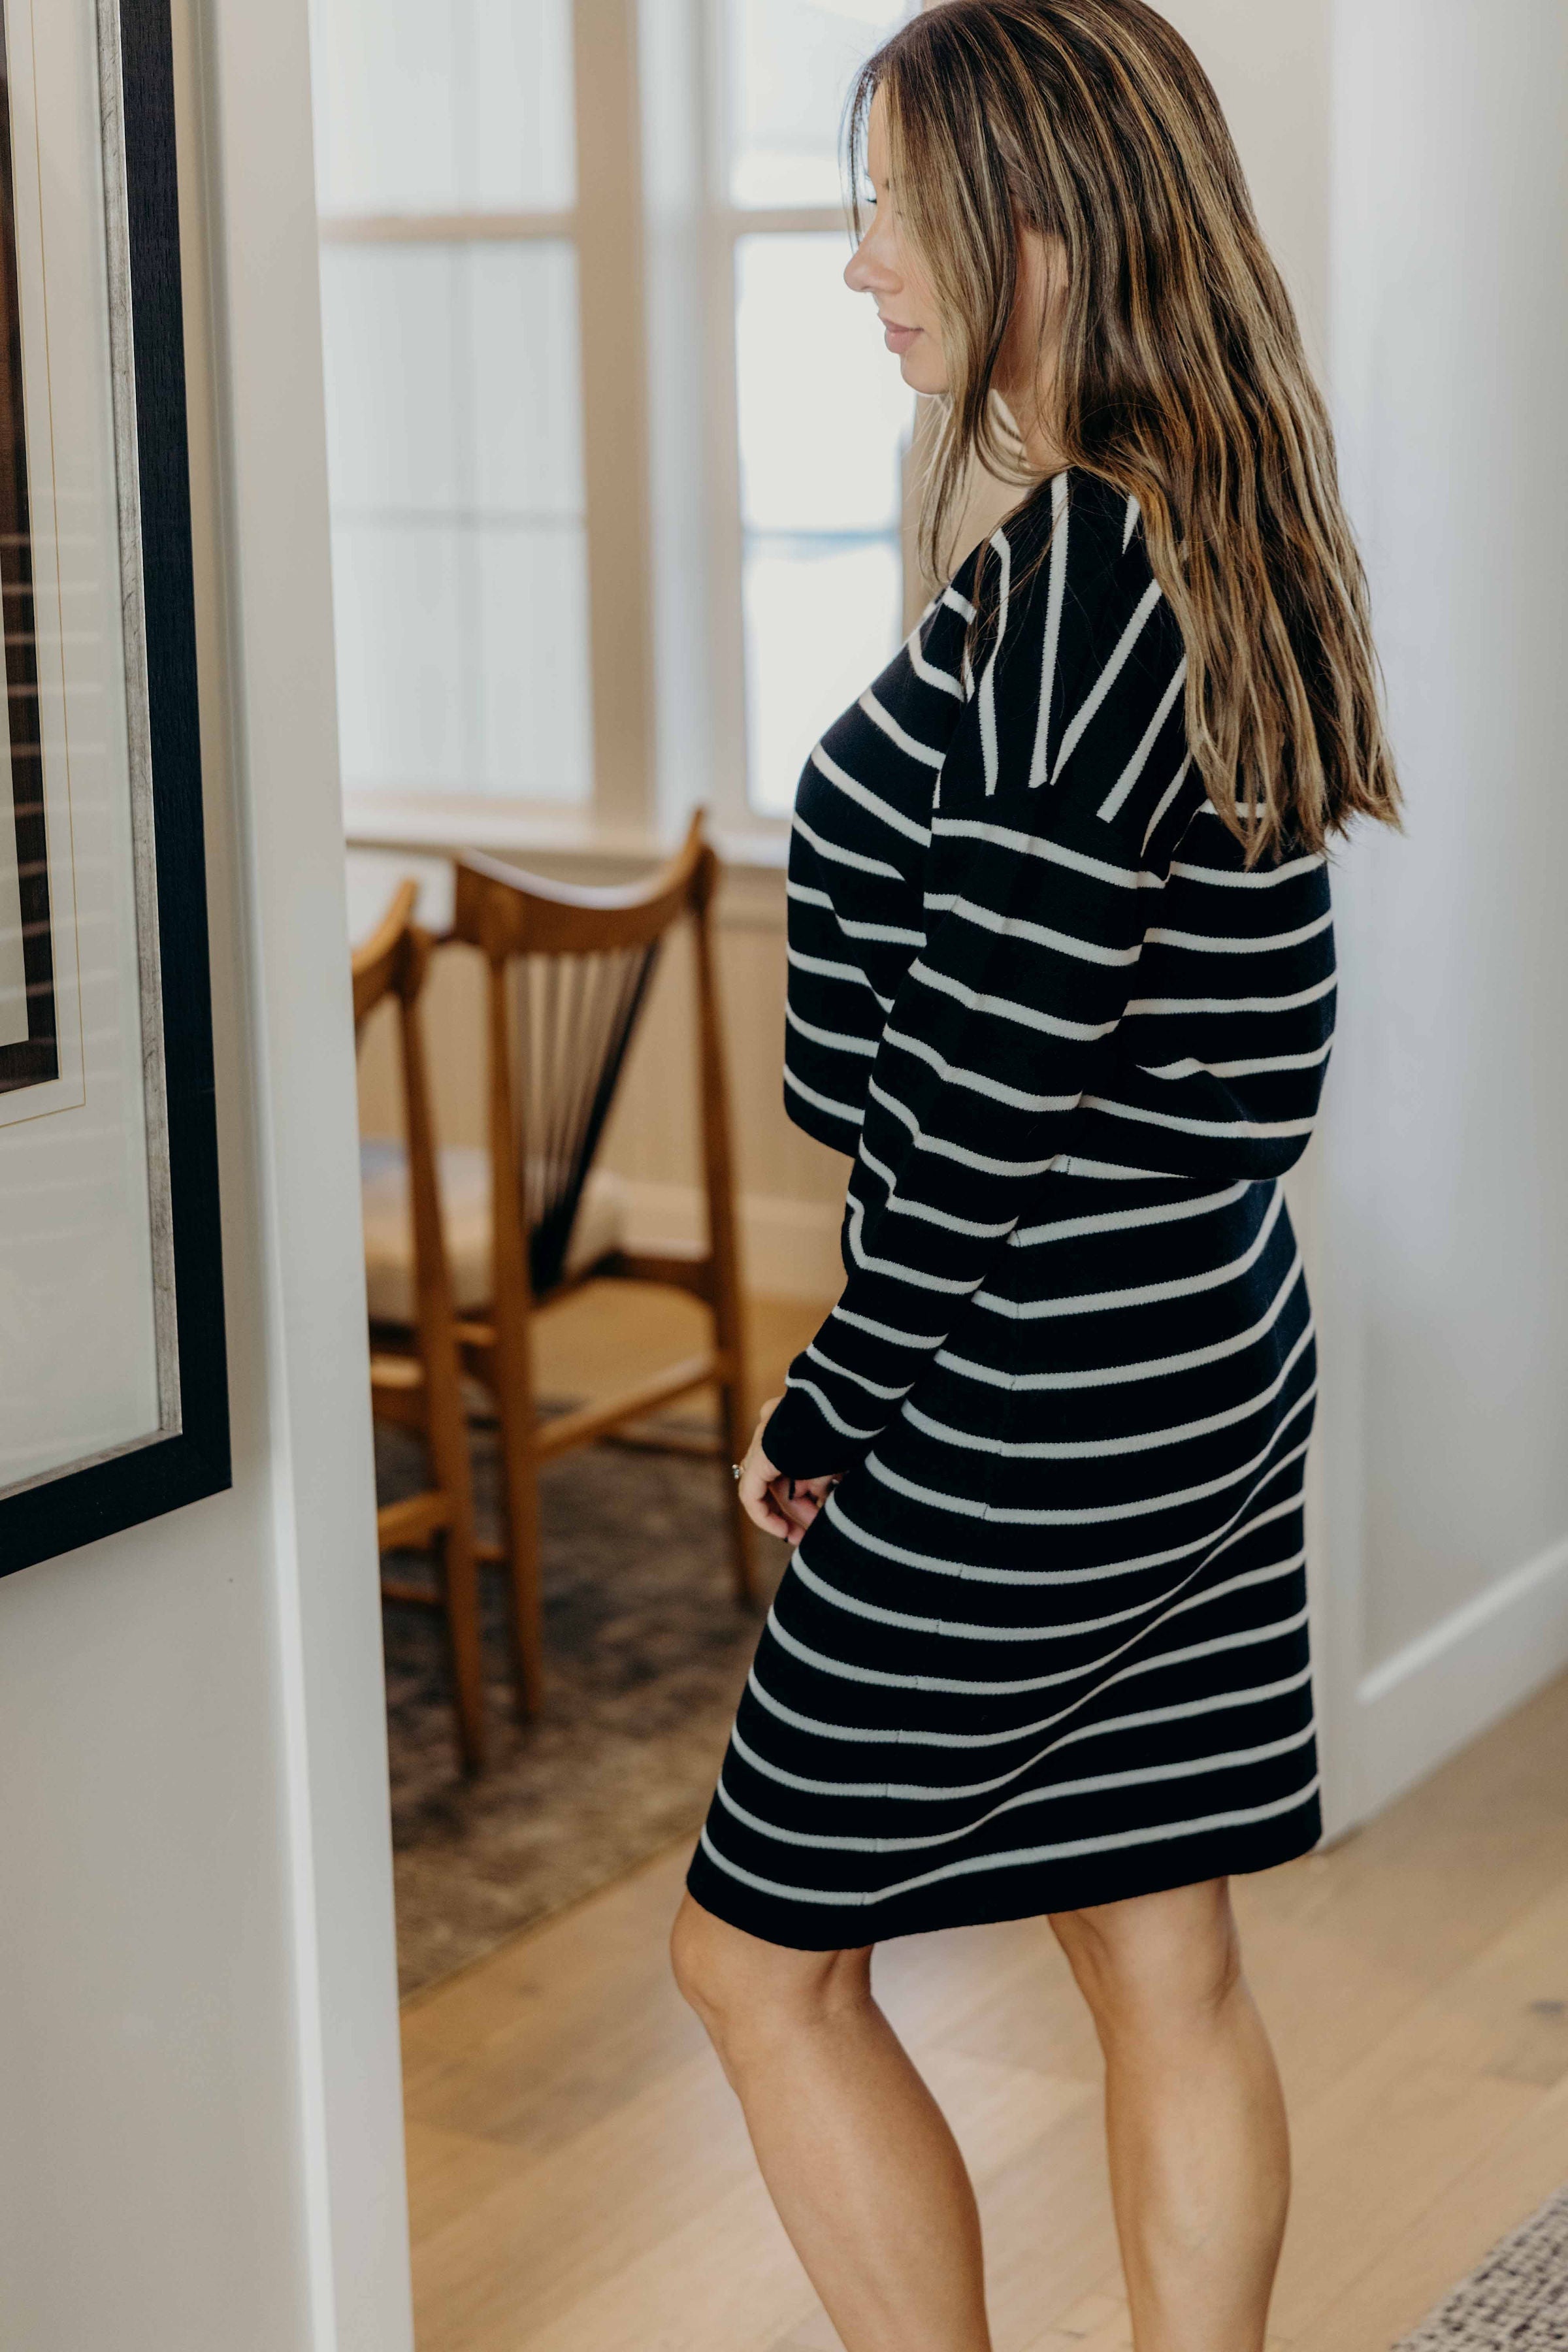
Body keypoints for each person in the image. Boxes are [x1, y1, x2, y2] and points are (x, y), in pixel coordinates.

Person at [672, 5, 1400, 2346]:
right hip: (1195, 1352)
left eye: (899, 203)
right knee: (1163, 1951)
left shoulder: (1089, 577)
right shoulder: (1214, 530)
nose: (859, 258)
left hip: (1030, 1398)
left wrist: (832, 1397)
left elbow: (989, 1095)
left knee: (753, 1964)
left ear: (1045, 224)